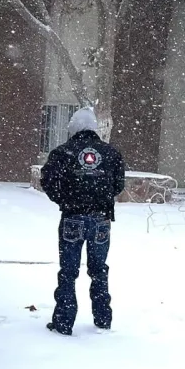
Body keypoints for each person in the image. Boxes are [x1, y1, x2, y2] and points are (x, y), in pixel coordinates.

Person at [39, 106, 126, 335]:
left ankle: (64, 322)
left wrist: (64, 200)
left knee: (68, 271)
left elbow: (47, 181)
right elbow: (118, 185)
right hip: (101, 220)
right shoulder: (111, 154)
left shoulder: (62, 152)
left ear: (74, 128)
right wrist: (100, 197)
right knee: (99, 270)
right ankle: (103, 318)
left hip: (72, 219)